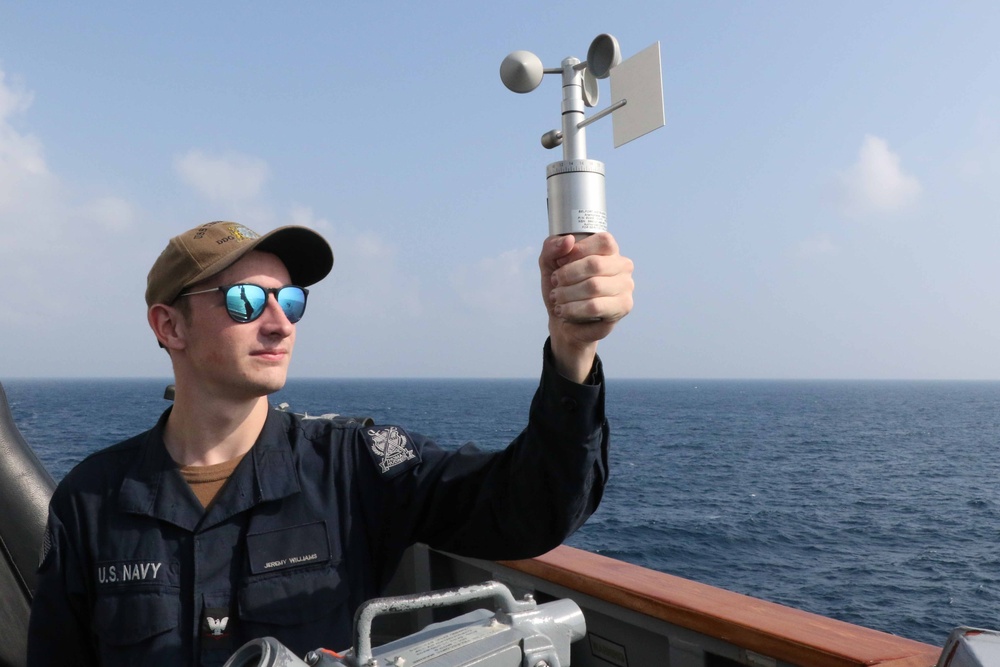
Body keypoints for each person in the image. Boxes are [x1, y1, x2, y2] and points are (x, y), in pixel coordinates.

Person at [27, 220, 635, 666]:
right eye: (244, 300)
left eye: (290, 300)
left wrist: (572, 352)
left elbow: (527, 509)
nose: (278, 321)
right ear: (169, 325)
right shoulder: (91, 501)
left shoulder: (353, 465)